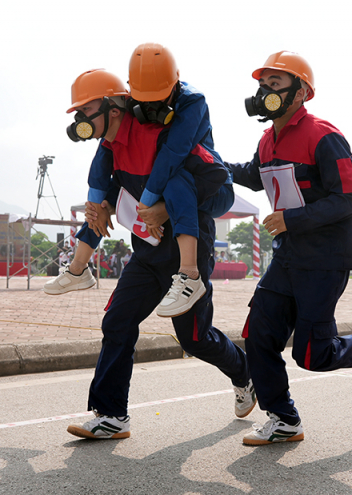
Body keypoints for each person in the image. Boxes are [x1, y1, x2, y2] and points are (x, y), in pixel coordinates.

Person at [57, 69, 254, 440]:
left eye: (86, 109)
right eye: (77, 112)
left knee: (194, 338)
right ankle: (111, 415)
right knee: (117, 322)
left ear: (114, 108)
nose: (80, 119)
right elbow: (116, 189)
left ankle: (243, 371)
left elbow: (213, 179)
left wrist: (162, 207)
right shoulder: (109, 148)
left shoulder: (162, 133)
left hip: (188, 243)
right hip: (146, 253)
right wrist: (102, 207)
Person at [225, 51, 352, 446]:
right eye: (263, 84)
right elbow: (254, 176)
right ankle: (284, 420)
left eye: (276, 84)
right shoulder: (267, 139)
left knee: (312, 354)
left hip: (325, 255)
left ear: (301, 92)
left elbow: (351, 197)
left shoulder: (324, 135)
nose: (265, 92)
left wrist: (292, 219)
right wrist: (209, 161)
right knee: (259, 336)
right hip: (288, 253)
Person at [128, 42, 235, 317]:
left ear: (175, 85)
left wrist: (149, 205)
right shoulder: (130, 103)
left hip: (212, 185)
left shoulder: (193, 101)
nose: (150, 106)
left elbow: (174, 152)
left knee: (175, 177)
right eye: (144, 99)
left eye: (158, 98)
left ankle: (190, 275)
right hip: (176, 193)